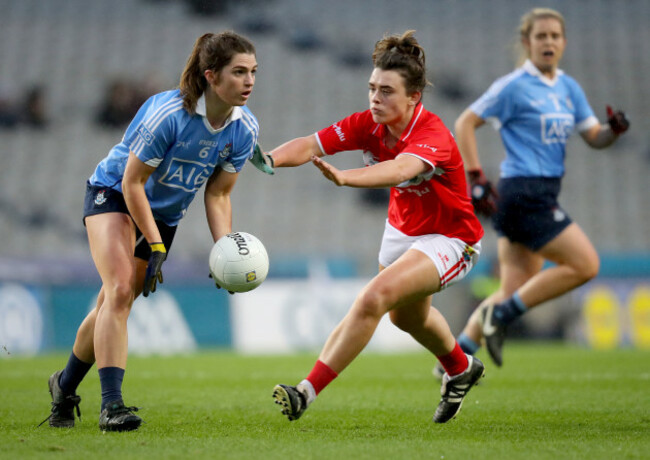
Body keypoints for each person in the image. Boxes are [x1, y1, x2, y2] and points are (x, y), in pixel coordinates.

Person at [252, 30, 485, 424]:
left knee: (372, 299)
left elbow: (399, 169)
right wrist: (269, 159)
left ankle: (305, 391)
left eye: (387, 91)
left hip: (452, 238)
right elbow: (311, 144)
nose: (375, 98)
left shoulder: (433, 135)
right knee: (405, 318)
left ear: (414, 97)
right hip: (403, 230)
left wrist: (346, 177)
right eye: (372, 88)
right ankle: (461, 368)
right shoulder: (367, 123)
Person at [40, 31, 259, 432]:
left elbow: (219, 194)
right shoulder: (169, 114)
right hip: (115, 193)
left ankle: (64, 385)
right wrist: (155, 242)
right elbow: (132, 183)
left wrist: (224, 248)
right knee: (121, 290)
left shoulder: (244, 129)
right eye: (239, 72)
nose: (249, 81)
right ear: (211, 76)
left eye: (253, 72)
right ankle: (112, 406)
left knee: (112, 302)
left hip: (164, 215)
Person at [440, 7, 630, 372]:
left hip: (541, 194)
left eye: (555, 36)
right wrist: (476, 177)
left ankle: (457, 356)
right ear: (527, 42)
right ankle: (502, 316)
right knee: (585, 264)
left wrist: (613, 130)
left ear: (564, 43)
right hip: (523, 192)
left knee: (510, 288)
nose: (548, 42)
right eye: (541, 36)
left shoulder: (568, 87)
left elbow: (594, 136)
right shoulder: (513, 86)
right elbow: (465, 121)